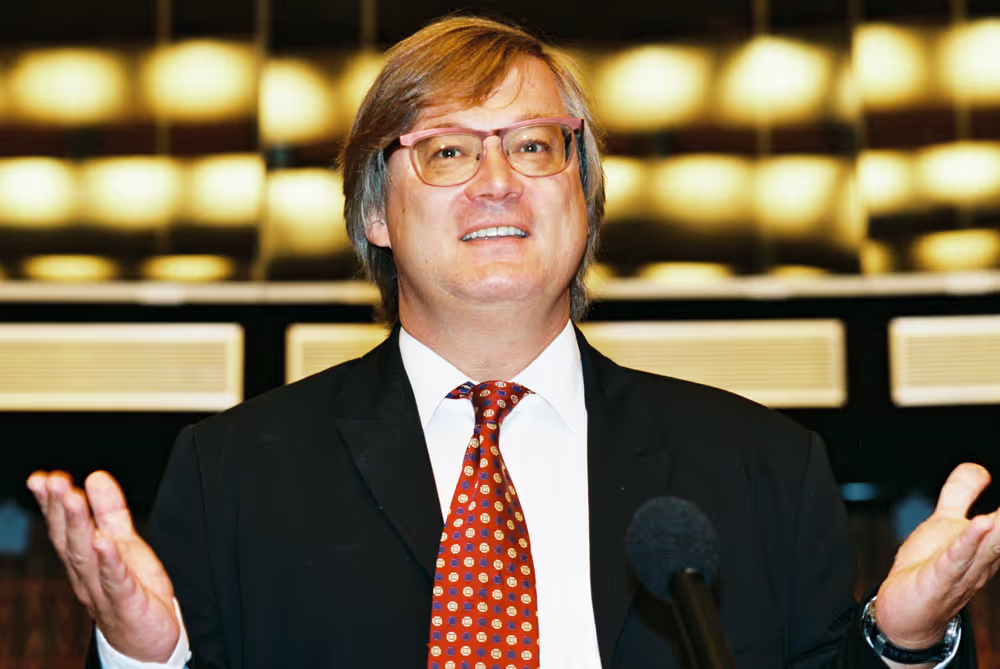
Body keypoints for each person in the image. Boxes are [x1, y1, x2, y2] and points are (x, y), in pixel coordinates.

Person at [26, 16, 1000, 669]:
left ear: (583, 196)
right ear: (375, 212)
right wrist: (143, 660)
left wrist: (902, 644)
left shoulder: (761, 467)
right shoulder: (233, 473)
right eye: (447, 150)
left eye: (533, 145)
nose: (496, 179)